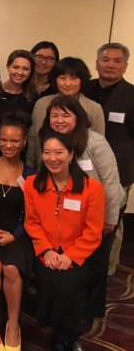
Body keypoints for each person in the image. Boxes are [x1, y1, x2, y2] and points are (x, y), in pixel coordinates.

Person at [35, 96, 126, 318]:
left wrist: (109, 219)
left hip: (99, 215)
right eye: (54, 115)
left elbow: (111, 184)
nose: (59, 120)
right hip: (66, 217)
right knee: (68, 269)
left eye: (66, 115)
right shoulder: (48, 140)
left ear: (78, 117)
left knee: (94, 266)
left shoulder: (95, 142)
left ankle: (87, 313)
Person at [23, 131, 104, 351]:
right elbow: (32, 223)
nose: (52, 158)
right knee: (52, 280)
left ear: (71, 155)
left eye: (59, 152)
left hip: (80, 253)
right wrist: (47, 250)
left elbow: (93, 231)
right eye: (47, 152)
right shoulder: (32, 184)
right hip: (46, 251)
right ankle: (69, 337)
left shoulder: (92, 188)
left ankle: (65, 336)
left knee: (71, 283)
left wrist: (71, 256)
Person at [0, 112, 36, 351]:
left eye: (15, 141)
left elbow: (35, 214)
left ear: (24, 142)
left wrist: (14, 235)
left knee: (11, 269)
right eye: (4, 140)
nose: (8, 145)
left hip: (19, 235)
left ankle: (13, 323)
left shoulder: (32, 173)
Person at [84, 42, 134, 275]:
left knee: (112, 220)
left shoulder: (132, 95)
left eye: (117, 61)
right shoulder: (85, 88)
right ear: (96, 63)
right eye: (105, 60)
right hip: (83, 167)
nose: (110, 65)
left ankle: (108, 270)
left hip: (118, 170)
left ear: (125, 66)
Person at [30, 57, 105, 163]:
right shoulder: (42, 104)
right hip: (45, 166)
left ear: (82, 80)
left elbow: (100, 146)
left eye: (74, 78)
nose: (68, 83)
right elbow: (33, 138)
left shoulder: (94, 108)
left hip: (82, 169)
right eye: (62, 78)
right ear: (55, 79)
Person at [0, 49, 35, 114]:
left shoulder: (33, 96)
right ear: (8, 67)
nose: (20, 72)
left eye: (25, 69)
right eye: (16, 67)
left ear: (31, 71)